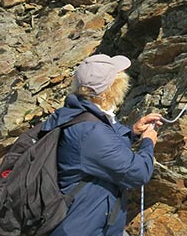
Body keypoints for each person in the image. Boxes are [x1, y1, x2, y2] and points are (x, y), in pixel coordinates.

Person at [43, 54, 162, 236]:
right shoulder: (91, 131)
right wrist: (147, 142)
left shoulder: (75, 113)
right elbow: (137, 173)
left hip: (77, 220)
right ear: (111, 89)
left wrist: (133, 133)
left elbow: (97, 152)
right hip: (83, 227)